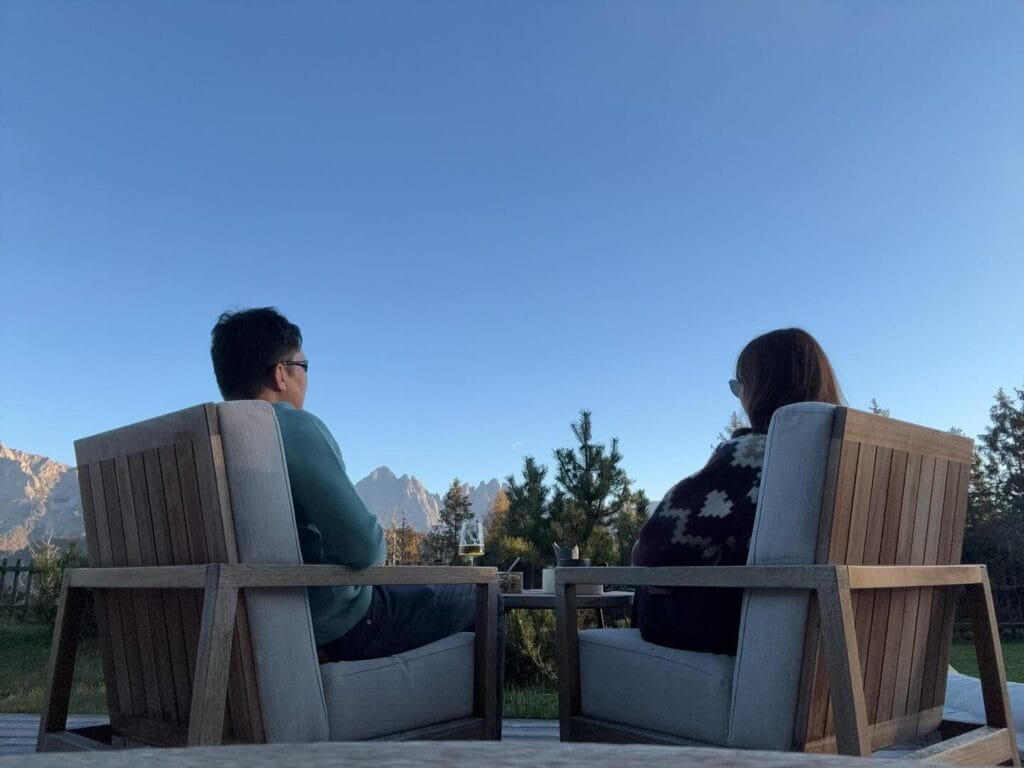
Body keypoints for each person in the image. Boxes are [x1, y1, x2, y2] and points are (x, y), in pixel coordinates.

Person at [210, 307, 502, 674]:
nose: (306, 379)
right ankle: (486, 729)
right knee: (485, 594)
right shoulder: (287, 426)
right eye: (304, 366)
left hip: (234, 627)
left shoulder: (203, 443)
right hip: (331, 625)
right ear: (281, 373)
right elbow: (364, 547)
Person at [631, 328, 843, 655]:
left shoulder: (753, 454)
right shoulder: (847, 460)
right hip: (837, 623)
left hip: (741, 625)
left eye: (739, 386)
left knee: (647, 598)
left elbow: (654, 550)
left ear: (762, 389)